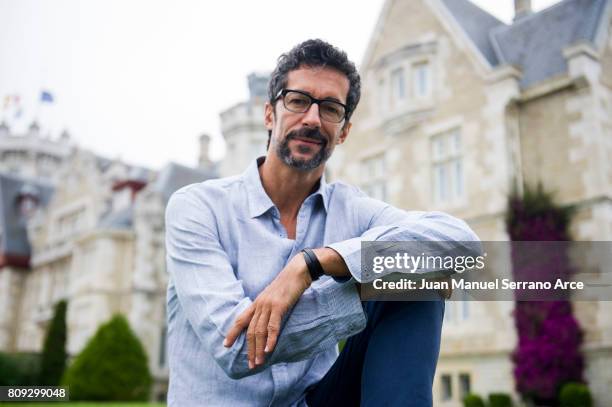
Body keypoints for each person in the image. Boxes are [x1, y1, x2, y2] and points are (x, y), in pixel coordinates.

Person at [165, 39, 479, 407]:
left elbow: (463, 244)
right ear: (270, 114)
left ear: (343, 131)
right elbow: (235, 350)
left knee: (415, 275)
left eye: (330, 109)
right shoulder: (197, 207)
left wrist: (314, 263)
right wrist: (362, 291)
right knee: (398, 271)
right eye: (298, 101)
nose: (312, 119)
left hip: (317, 401)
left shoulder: (353, 209)